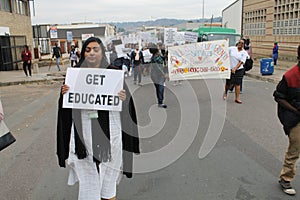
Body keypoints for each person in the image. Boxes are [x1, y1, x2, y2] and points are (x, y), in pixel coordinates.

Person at [57, 37, 140, 200]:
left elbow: (127, 108)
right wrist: (64, 94)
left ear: (102, 53)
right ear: (83, 53)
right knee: (89, 179)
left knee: (108, 179)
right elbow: (67, 107)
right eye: (88, 50)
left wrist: (123, 98)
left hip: (110, 135)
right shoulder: (75, 75)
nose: (92, 53)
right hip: (83, 135)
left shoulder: (114, 74)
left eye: (96, 49)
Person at [274, 45, 300, 196]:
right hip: (296, 119)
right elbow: (278, 96)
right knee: (295, 148)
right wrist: (295, 110)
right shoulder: (290, 76)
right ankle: (286, 178)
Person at [223, 39, 248, 104]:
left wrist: (235, 68)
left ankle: (237, 98)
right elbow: (224, 49)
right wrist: (224, 42)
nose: (240, 44)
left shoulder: (244, 53)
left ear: (244, 45)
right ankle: (225, 93)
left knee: (238, 83)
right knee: (228, 83)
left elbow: (241, 62)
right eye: (239, 42)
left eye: (242, 43)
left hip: (239, 70)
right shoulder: (232, 49)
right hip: (230, 69)